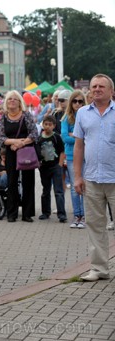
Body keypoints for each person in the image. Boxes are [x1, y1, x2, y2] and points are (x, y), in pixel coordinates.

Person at [73, 73, 115, 282]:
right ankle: (99, 269)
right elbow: (79, 146)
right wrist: (78, 176)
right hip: (92, 179)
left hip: (114, 178)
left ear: (111, 91)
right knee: (95, 224)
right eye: (94, 86)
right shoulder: (82, 113)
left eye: (101, 86)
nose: (97, 89)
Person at [0, 90, 39, 223]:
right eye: (9, 99)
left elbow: (34, 133)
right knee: (12, 182)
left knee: (28, 182)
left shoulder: (27, 115)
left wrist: (20, 143)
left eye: (15, 99)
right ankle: (12, 213)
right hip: (10, 151)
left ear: (20, 102)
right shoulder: (3, 117)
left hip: (26, 151)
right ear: (6, 103)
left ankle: (27, 213)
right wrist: (14, 142)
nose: (12, 101)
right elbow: (0, 136)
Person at [61, 90, 86, 228]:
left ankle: (85, 216)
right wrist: (80, 138)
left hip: (86, 156)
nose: (77, 104)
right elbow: (65, 137)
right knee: (74, 186)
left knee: (86, 186)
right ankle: (77, 215)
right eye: (74, 101)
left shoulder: (87, 116)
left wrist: (75, 136)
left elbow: (89, 136)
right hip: (71, 156)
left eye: (80, 101)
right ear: (71, 102)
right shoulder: (67, 118)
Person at [36, 115, 66, 223]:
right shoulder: (39, 138)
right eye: (46, 124)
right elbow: (37, 153)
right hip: (44, 168)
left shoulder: (56, 137)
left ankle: (61, 214)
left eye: (50, 125)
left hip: (55, 167)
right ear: (43, 125)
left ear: (54, 126)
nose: (47, 127)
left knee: (58, 191)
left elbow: (62, 151)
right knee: (45, 190)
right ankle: (45, 212)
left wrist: (60, 164)